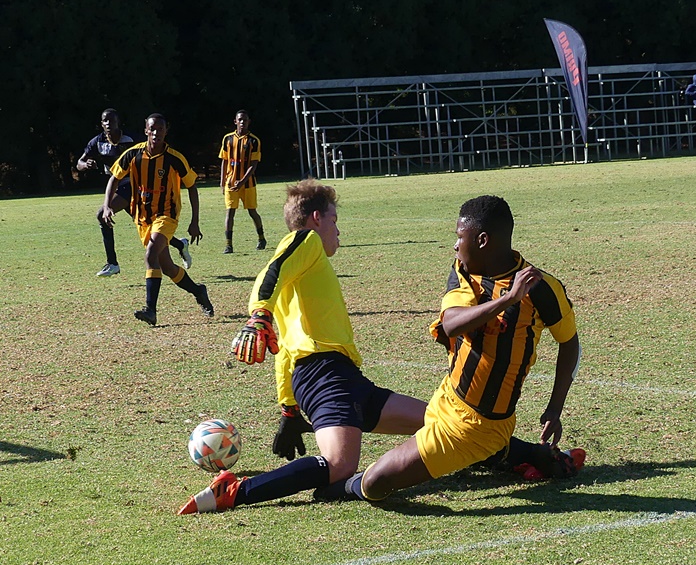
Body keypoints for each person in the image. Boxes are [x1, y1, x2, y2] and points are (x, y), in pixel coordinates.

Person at [178, 184, 577, 514]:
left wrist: (288, 408)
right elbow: (271, 271)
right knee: (340, 468)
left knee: (440, 424)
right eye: (334, 220)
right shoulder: (305, 242)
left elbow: (285, 346)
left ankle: (536, 457)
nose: (338, 231)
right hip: (326, 378)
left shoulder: (308, 273)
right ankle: (237, 490)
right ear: (317, 219)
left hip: (346, 379)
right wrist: (258, 314)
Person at [338, 195, 584, 503]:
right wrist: (506, 300)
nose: (455, 246)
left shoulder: (540, 287)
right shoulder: (464, 270)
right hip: (446, 397)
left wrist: (555, 408)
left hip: (478, 425)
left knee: (375, 483)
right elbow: (452, 324)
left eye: (459, 237)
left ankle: (337, 488)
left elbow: (570, 342)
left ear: (482, 240)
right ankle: (531, 457)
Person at [102, 113, 214, 325]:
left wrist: (195, 221)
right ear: (146, 130)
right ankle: (198, 291)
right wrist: (107, 206)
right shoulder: (132, 154)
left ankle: (150, 310)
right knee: (169, 268)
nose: (156, 133)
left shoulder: (174, 158)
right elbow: (114, 178)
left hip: (167, 216)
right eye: (152, 129)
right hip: (143, 218)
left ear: (165, 131)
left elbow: (192, 186)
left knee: (150, 254)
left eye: (160, 129)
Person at [79, 109, 191, 276]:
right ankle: (180, 244)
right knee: (146, 224)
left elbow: (150, 151)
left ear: (118, 123)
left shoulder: (130, 140)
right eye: (105, 121)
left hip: (134, 185)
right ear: (101, 124)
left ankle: (112, 263)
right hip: (117, 185)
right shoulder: (97, 142)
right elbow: (79, 163)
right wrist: (85, 165)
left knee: (102, 213)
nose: (109, 124)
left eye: (112, 121)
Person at [219, 110, 267, 254]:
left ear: (248, 122)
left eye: (245, 120)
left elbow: (253, 165)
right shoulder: (227, 139)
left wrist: (242, 181)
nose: (242, 122)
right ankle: (228, 245)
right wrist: (222, 182)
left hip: (248, 184)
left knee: (252, 211)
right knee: (230, 212)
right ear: (235, 121)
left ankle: (261, 238)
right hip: (231, 183)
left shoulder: (254, 141)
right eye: (240, 120)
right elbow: (224, 160)